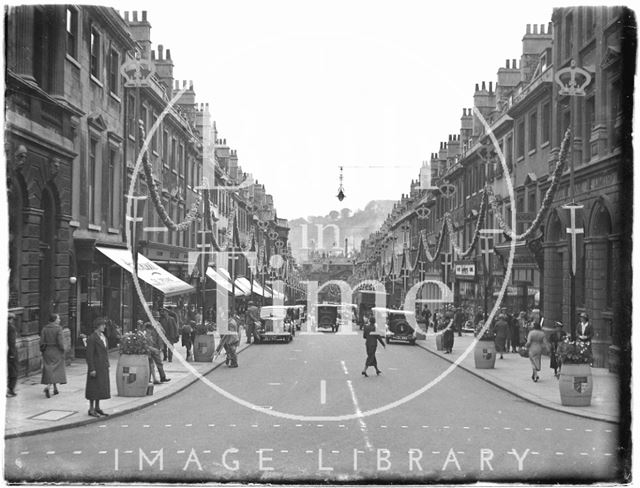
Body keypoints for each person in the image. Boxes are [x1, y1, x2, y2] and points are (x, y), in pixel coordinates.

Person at [85, 318, 111, 417]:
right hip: (95, 367)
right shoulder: (92, 338)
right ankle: (91, 408)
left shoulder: (103, 337)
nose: (104, 326)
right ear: (97, 326)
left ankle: (97, 407)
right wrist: (92, 368)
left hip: (102, 366)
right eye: (102, 325)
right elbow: (89, 355)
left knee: (100, 387)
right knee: (93, 388)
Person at [40, 313, 67, 398]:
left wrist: (43, 350)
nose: (59, 320)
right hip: (56, 351)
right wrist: (63, 349)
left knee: (50, 369)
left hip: (47, 351)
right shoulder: (58, 329)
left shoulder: (44, 328)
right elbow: (61, 342)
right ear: (54, 320)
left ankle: (55, 388)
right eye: (58, 319)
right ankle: (48, 387)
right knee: (55, 369)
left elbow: (41, 341)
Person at [7, 313, 18, 397]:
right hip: (10, 352)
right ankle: (10, 389)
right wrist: (12, 354)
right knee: (13, 371)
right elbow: (12, 342)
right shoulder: (11, 328)